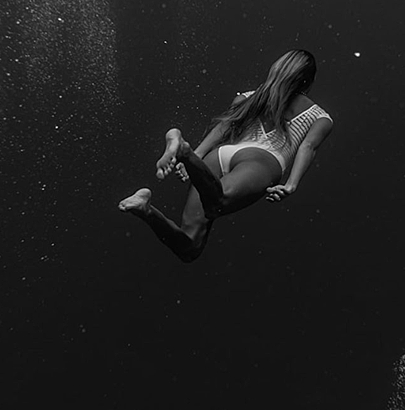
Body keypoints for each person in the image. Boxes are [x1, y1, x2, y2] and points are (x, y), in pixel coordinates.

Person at [118, 49, 334, 262]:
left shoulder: (248, 97)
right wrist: (291, 184)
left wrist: (199, 154)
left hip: (218, 156)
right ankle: (183, 150)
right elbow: (308, 147)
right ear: (308, 81)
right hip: (262, 160)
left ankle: (144, 208)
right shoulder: (319, 117)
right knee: (218, 203)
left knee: (189, 248)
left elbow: (223, 128)